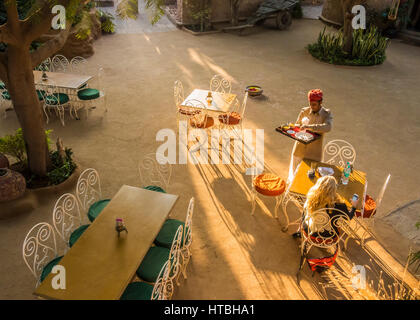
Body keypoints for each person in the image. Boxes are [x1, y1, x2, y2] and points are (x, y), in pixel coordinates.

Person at [288, 89, 333, 183]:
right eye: (310, 104)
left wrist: (309, 127)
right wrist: (294, 127)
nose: (311, 107)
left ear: (320, 102)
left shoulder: (326, 114)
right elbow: (297, 125)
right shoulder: (304, 111)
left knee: (311, 177)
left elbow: (328, 127)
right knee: (294, 174)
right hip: (300, 148)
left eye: (314, 104)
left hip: (314, 152)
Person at [293, 176, 358, 239]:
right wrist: (354, 206)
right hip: (328, 236)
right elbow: (348, 217)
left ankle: (300, 231)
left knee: (305, 212)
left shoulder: (311, 198)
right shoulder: (340, 205)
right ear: (334, 190)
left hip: (308, 230)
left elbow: (305, 212)